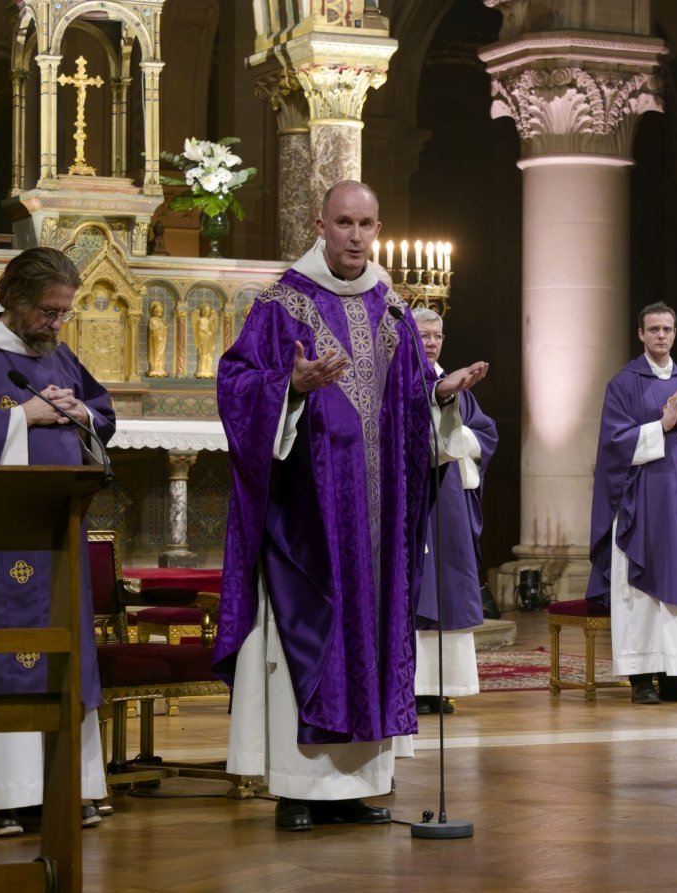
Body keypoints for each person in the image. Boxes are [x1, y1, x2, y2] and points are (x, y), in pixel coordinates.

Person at [215, 180, 488, 832]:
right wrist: (290, 387)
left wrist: (441, 394)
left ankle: (362, 785)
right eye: (344, 222)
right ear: (321, 225)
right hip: (306, 517)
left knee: (373, 632)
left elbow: (411, 405)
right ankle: (299, 787)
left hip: (379, 519)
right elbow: (237, 385)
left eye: (367, 223)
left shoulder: (390, 310)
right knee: (312, 636)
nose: (357, 236)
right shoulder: (283, 304)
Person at [0, 247, 115, 837]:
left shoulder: (57, 353)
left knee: (66, 653)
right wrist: (22, 419)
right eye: (47, 312)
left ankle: (67, 785)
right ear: (12, 301)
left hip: (60, 530)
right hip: (0, 537)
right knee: (8, 655)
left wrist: (77, 414)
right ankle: (2, 795)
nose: (58, 324)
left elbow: (102, 411)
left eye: (65, 312)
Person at [587, 302, 677, 705]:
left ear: (675, 333)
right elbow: (613, 444)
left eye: (667, 328)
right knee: (642, 592)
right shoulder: (624, 384)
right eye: (653, 329)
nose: (661, 335)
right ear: (641, 335)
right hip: (642, 500)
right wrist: (660, 427)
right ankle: (642, 678)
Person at [411, 308, 498, 716]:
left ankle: (440, 685)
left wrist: (457, 431)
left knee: (446, 587)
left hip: (449, 502)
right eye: (424, 335)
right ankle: (410, 686)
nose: (431, 343)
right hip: (416, 501)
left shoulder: (461, 387)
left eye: (437, 336)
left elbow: (485, 434)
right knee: (418, 588)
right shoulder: (405, 382)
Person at [194, 303, 216, 378]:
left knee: (209, 354)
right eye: (205, 310)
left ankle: (208, 370)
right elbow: (200, 330)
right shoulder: (201, 320)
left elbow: (213, 331)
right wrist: (206, 332)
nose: (206, 312)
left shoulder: (210, 321)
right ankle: (202, 370)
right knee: (203, 354)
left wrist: (211, 324)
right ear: (202, 311)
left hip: (209, 339)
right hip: (203, 339)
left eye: (208, 310)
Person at [147, 300, 167, 377]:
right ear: (155, 310)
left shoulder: (162, 320)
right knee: (156, 353)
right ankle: (155, 368)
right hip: (155, 339)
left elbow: (165, 329)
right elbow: (152, 329)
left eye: (161, 311)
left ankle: (160, 368)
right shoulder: (152, 319)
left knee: (161, 354)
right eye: (158, 310)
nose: (160, 312)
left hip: (162, 339)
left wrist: (163, 328)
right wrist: (157, 330)